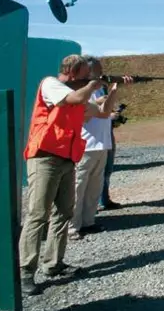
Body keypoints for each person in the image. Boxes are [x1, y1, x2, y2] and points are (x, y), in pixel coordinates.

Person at [17, 54, 129, 296]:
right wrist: (92, 85)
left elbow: (103, 112)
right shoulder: (51, 84)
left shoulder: (80, 94)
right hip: (45, 156)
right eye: (86, 74)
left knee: (64, 212)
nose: (90, 78)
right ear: (72, 71)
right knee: (38, 215)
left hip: (67, 158)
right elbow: (74, 98)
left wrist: (113, 90)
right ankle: (25, 271)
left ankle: (53, 264)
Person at [69, 56, 130, 239]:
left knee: (94, 187)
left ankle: (88, 222)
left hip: (101, 144)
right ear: (87, 71)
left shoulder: (98, 89)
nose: (101, 71)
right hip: (85, 145)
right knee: (78, 187)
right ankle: (72, 226)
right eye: (97, 69)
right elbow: (83, 111)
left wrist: (114, 90)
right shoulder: (81, 89)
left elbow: (104, 114)